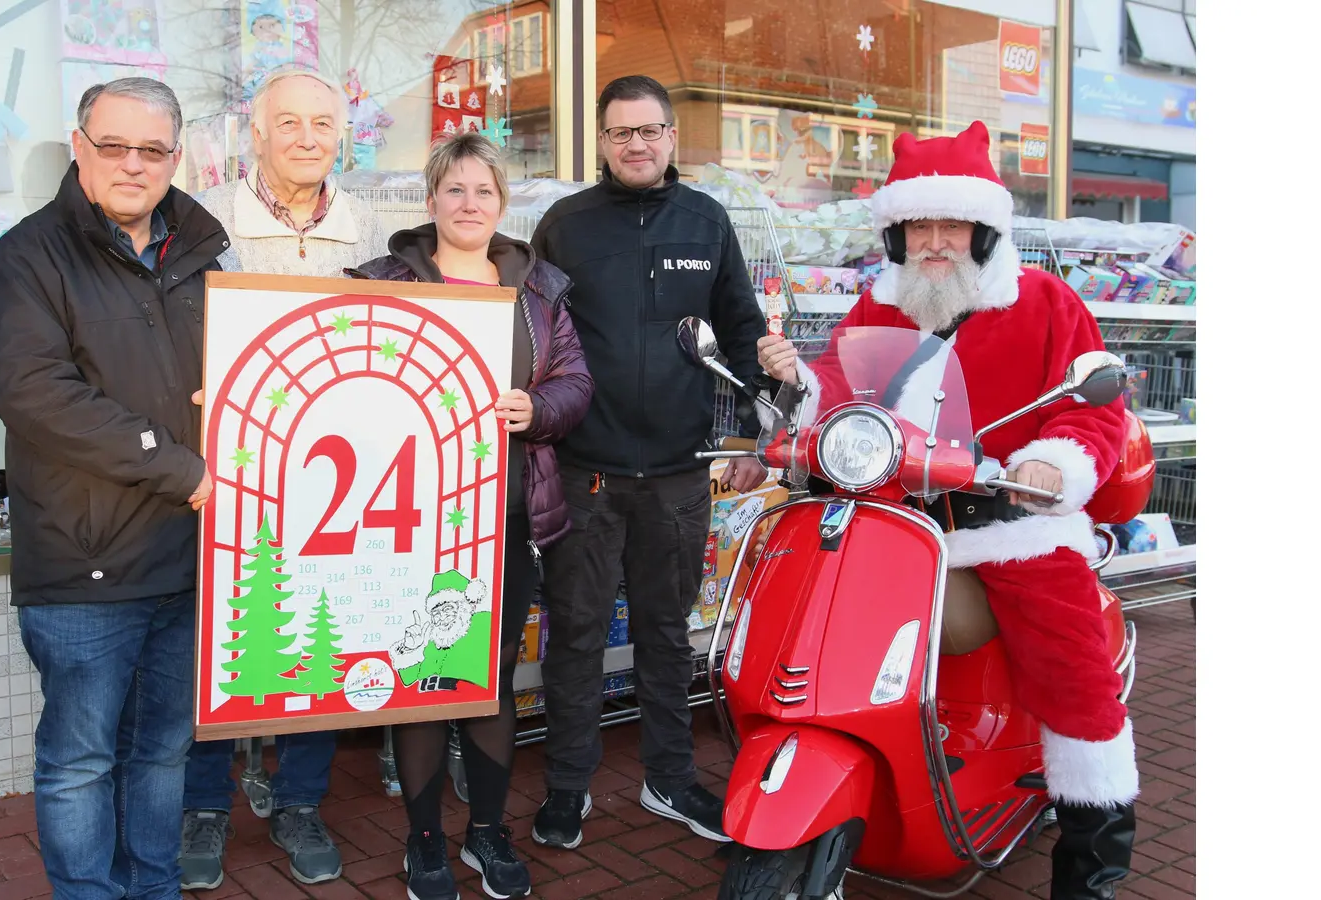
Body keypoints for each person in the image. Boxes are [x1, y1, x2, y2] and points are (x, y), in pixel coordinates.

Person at [756, 121, 1137, 900]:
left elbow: (1094, 413)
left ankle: (1090, 864)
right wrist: (801, 387)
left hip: (1011, 526)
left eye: (950, 224)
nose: (935, 242)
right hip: (897, 520)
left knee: (1071, 670)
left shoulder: (1046, 302)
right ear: (897, 234)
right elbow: (841, 382)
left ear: (983, 228)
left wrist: (1047, 462)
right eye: (918, 226)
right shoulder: (882, 301)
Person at [0, 78, 224, 900]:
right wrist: (182, 465)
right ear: (79, 146)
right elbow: (37, 394)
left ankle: (153, 890)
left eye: (151, 149)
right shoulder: (27, 255)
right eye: (113, 144)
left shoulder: (200, 256)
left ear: (174, 158)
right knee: (80, 761)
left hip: (188, 560)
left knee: (161, 752)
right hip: (84, 562)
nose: (132, 164)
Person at [525, 75, 769, 849]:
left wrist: (761, 430)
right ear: (601, 141)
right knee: (576, 637)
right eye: (621, 132)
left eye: (650, 130)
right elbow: (533, 337)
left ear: (671, 137)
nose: (636, 144)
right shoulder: (565, 225)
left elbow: (742, 328)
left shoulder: (706, 221)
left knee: (667, 635)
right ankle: (569, 787)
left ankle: (670, 779)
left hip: (675, 475)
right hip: (584, 473)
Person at [351, 131, 593, 900]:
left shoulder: (537, 292)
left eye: (483, 191)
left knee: (488, 680)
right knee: (421, 675)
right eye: (454, 190)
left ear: (502, 202)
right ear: (430, 201)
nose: (468, 203)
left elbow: (576, 384)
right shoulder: (383, 281)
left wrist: (537, 406)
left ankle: (486, 831)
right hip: (409, 520)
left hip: (507, 515)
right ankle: (424, 842)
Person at [181, 65, 387, 891]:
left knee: (315, 632)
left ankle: (299, 799)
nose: (307, 138)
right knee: (220, 637)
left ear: (340, 134)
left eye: (322, 124)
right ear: (256, 132)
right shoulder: (207, 219)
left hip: (332, 464)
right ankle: (205, 805)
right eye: (289, 123)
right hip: (234, 463)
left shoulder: (363, 221)